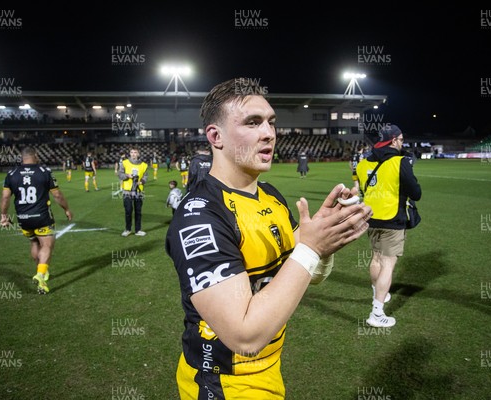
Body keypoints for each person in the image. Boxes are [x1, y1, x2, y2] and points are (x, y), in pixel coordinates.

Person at [165, 77, 372, 399]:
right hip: (224, 382)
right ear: (215, 136)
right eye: (252, 122)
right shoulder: (201, 216)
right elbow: (244, 335)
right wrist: (311, 246)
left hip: (269, 367)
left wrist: (325, 240)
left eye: (271, 122)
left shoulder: (270, 196)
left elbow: (304, 273)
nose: (269, 133)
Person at [356, 124, 422, 328]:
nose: (402, 143)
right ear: (393, 141)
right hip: (392, 218)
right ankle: (377, 313)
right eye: (401, 139)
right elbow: (416, 193)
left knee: (376, 258)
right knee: (388, 263)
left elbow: (364, 187)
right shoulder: (400, 162)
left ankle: (380, 295)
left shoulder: (362, 163)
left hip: (370, 217)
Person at [0, 146, 73, 295]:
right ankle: (40, 275)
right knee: (47, 244)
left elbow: (5, 197)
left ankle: (41, 271)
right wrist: (66, 209)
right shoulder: (44, 172)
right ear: (36, 156)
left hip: (23, 218)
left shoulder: (12, 174)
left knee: (34, 242)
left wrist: (4, 215)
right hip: (42, 216)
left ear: (22, 157)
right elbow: (57, 194)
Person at [118, 147, 148, 237]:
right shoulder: (124, 163)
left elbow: (145, 176)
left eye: (135, 152)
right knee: (128, 210)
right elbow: (120, 174)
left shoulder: (144, 165)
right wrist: (127, 175)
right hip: (127, 191)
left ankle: (138, 230)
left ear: (138, 154)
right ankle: (128, 229)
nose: (133, 154)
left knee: (138, 211)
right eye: (132, 152)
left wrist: (141, 181)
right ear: (130, 153)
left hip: (138, 191)